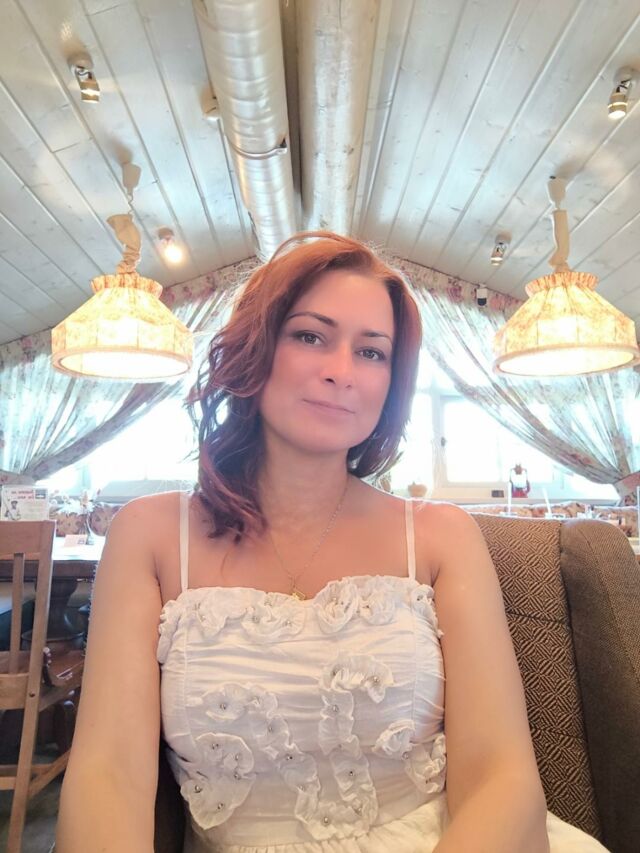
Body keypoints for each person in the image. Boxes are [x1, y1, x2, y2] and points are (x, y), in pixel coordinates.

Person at [56, 231, 608, 852]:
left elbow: (503, 779)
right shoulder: (149, 535)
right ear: (256, 348)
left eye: (371, 352)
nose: (341, 372)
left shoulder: (443, 536)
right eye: (310, 336)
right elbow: (109, 777)